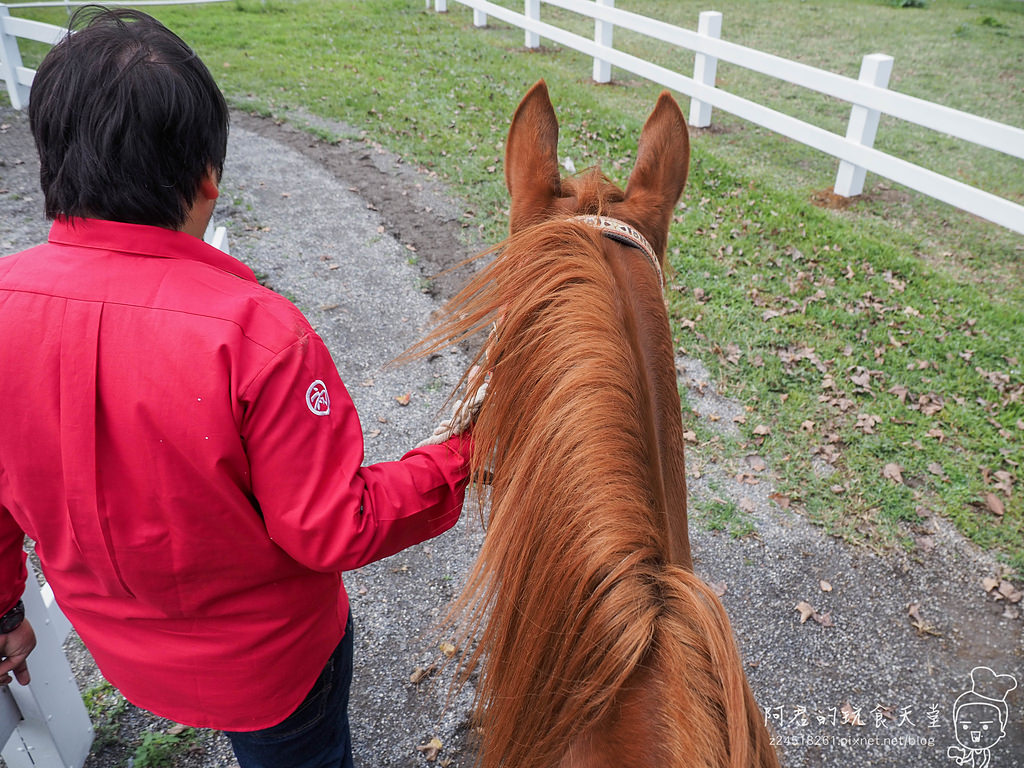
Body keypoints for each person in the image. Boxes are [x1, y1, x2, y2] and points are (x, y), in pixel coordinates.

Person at [0, 7, 477, 767]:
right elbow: (332, 527)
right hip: (272, 672)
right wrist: (459, 459)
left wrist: (5, 614)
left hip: (129, 660)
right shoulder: (257, 336)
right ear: (208, 181)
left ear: (50, 162)